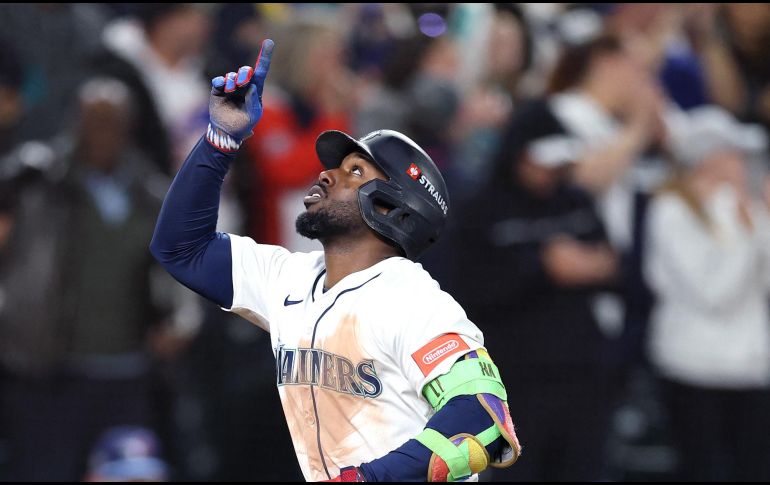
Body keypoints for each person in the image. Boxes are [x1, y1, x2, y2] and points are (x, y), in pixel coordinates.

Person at [150, 39, 520, 482]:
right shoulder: (288, 277)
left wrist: (369, 479)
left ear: (390, 207)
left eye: (355, 172)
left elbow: (485, 419)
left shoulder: (414, 300)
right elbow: (180, 247)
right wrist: (220, 140)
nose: (326, 173)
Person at [644, 106, 770, 481]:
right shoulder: (669, 211)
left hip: (750, 370)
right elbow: (712, 293)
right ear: (708, 160)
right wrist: (751, 234)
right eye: (734, 155)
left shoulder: (743, 209)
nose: (744, 165)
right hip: (695, 370)